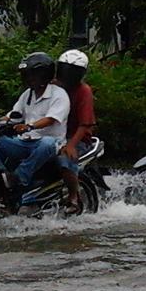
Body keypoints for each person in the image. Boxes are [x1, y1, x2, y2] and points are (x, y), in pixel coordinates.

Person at [0, 52, 71, 197]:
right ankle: (2, 177)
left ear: (44, 75)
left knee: (47, 143)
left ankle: (19, 177)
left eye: (33, 75)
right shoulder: (27, 94)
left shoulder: (59, 95)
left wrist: (30, 126)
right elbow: (13, 115)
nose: (30, 79)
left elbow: (51, 119)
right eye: (27, 75)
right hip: (25, 142)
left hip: (51, 145)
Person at [53, 49, 96, 214]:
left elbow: (85, 124)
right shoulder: (53, 86)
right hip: (55, 135)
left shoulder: (83, 91)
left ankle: (73, 196)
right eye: (65, 70)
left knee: (65, 159)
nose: (67, 75)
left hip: (77, 139)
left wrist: (71, 145)